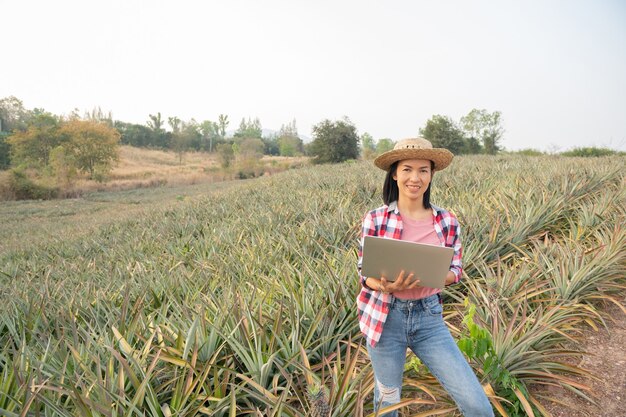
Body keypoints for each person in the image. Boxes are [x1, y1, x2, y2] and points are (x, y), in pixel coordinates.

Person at [357, 138, 493, 417]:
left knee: (478, 406)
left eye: (423, 170)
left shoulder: (446, 220)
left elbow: (456, 269)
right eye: (407, 169)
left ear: (431, 175)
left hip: (429, 318)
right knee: (387, 407)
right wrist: (384, 284)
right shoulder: (376, 218)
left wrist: (433, 277)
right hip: (385, 318)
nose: (414, 178)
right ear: (394, 173)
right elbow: (365, 271)